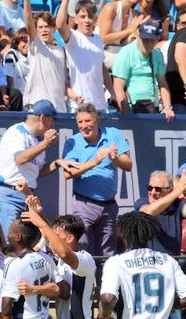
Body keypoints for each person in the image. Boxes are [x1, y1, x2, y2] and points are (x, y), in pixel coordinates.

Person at [55, 104, 131, 257]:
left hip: (109, 205)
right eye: (80, 122)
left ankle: (104, 281)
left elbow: (128, 165)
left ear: (98, 120)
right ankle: (85, 281)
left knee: (107, 254)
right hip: (84, 204)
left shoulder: (113, 134)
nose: (84, 126)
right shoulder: (73, 142)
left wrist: (115, 158)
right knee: (82, 250)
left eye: (87, 121)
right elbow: (67, 174)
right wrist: (94, 162)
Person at [0, 100, 59, 232]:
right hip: (9, 195)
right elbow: (20, 158)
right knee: (9, 242)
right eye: (52, 119)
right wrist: (45, 143)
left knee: (26, 244)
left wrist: (57, 164)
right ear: (42, 118)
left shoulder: (37, 140)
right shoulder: (16, 132)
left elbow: (37, 173)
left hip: (28, 197)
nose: (53, 124)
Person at [112, 18, 173, 116]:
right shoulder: (126, 53)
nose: (147, 44)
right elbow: (118, 86)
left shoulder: (157, 54)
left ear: (157, 39)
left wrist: (167, 107)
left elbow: (163, 83)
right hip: (132, 108)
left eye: (151, 40)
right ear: (138, 36)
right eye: (144, 40)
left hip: (152, 107)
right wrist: (126, 112)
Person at [138, 166, 186, 257]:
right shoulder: (142, 202)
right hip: (148, 263)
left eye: (158, 189)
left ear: (169, 190)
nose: (152, 192)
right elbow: (148, 212)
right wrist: (179, 190)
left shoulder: (177, 205)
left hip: (171, 262)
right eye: (150, 188)